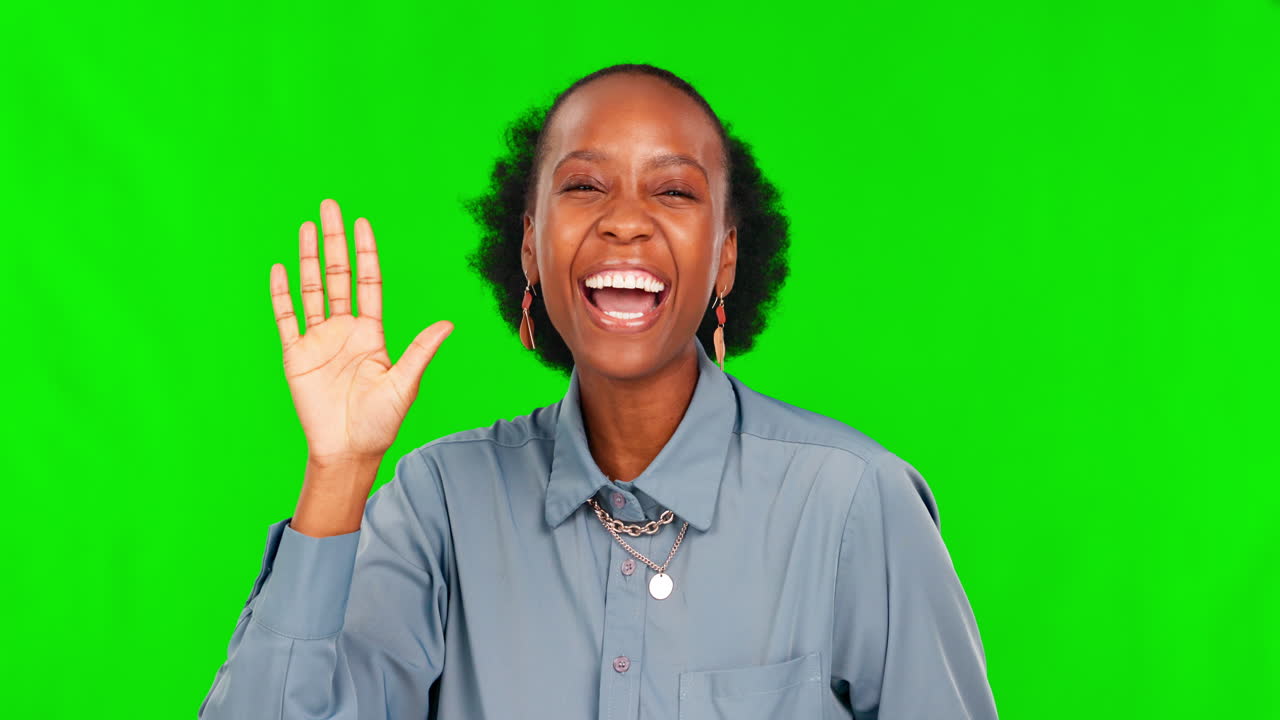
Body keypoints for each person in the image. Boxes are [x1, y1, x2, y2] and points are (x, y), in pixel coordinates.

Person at [199, 63, 998, 719]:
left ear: (725, 258)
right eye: (584, 187)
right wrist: (336, 474)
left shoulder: (856, 502)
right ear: (530, 249)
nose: (625, 222)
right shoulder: (439, 504)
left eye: (674, 192)